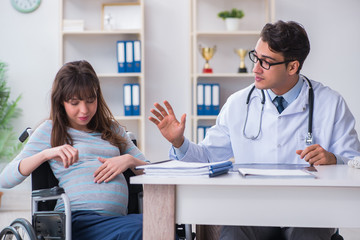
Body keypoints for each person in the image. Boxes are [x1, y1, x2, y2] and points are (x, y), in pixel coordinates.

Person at [149, 21, 360, 240]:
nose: (255, 68)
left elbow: (355, 163)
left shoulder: (331, 103)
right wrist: (179, 143)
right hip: (253, 208)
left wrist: (333, 159)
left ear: (292, 67)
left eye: (266, 62)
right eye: (255, 57)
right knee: (232, 232)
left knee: (306, 232)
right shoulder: (238, 103)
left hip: (310, 209)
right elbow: (207, 158)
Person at [0, 60, 147, 240]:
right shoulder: (50, 131)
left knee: (162, 224)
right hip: (77, 221)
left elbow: (155, 172)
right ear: (61, 102)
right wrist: (46, 153)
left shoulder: (113, 130)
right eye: (74, 103)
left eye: (90, 100)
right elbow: (4, 179)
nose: (84, 110)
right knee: (146, 229)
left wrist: (129, 160)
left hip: (117, 221)